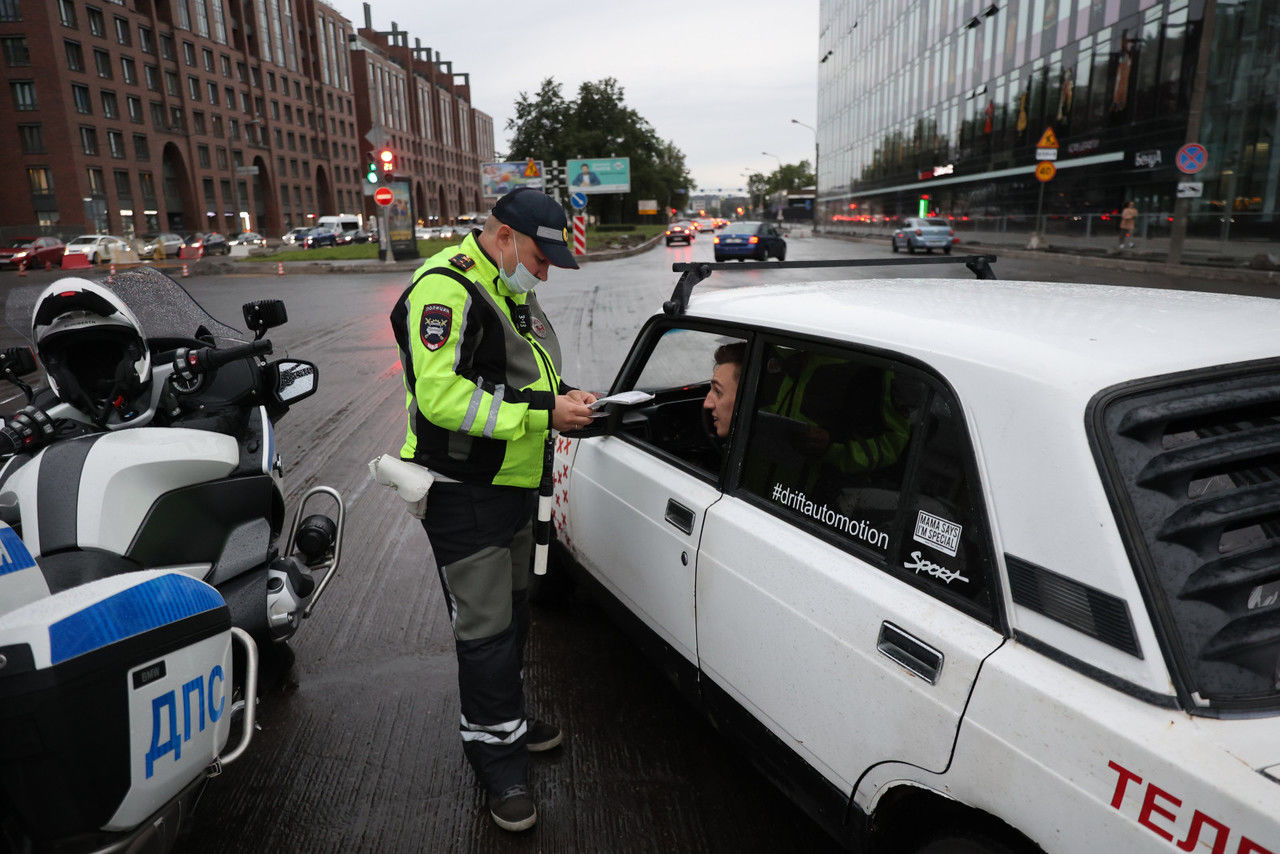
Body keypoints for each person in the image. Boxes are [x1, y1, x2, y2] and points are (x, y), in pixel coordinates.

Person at [387, 186, 596, 833]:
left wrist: (565, 398)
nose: (543, 271)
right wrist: (543, 412)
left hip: (510, 488)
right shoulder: (446, 289)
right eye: (538, 257)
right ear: (503, 235)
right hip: (463, 494)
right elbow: (443, 399)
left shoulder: (507, 292)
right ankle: (495, 759)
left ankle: (506, 717)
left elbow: (520, 376)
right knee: (483, 632)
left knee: (514, 617)